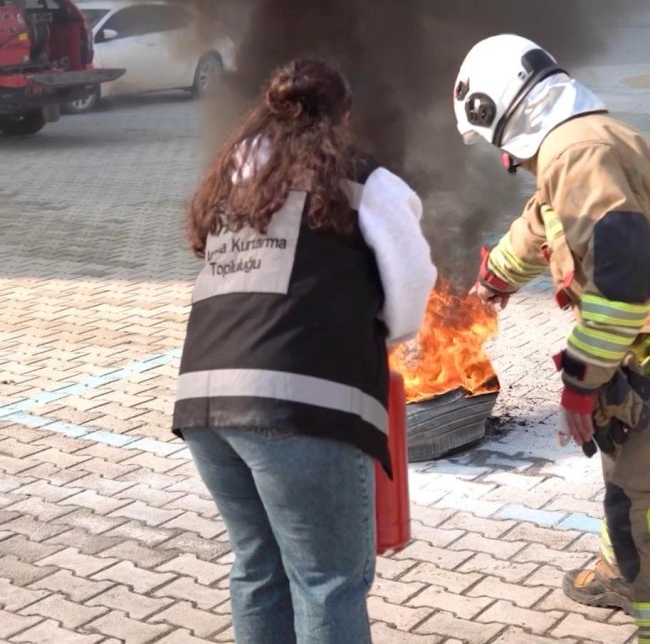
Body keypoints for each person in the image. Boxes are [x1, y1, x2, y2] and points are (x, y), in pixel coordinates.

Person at [172, 57, 437, 644]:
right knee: (328, 581)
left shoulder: (233, 179)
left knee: (258, 567)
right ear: (342, 116)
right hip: (295, 409)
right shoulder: (363, 179)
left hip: (204, 408)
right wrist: (383, 333)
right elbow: (413, 282)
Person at [452, 33, 650, 641]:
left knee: (641, 498)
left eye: (495, 147)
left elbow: (623, 284)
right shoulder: (580, 142)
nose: (503, 160)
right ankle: (620, 568)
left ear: (503, 113)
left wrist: (580, 385)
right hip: (633, 353)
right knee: (624, 478)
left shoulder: (577, 153)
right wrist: (492, 281)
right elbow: (544, 223)